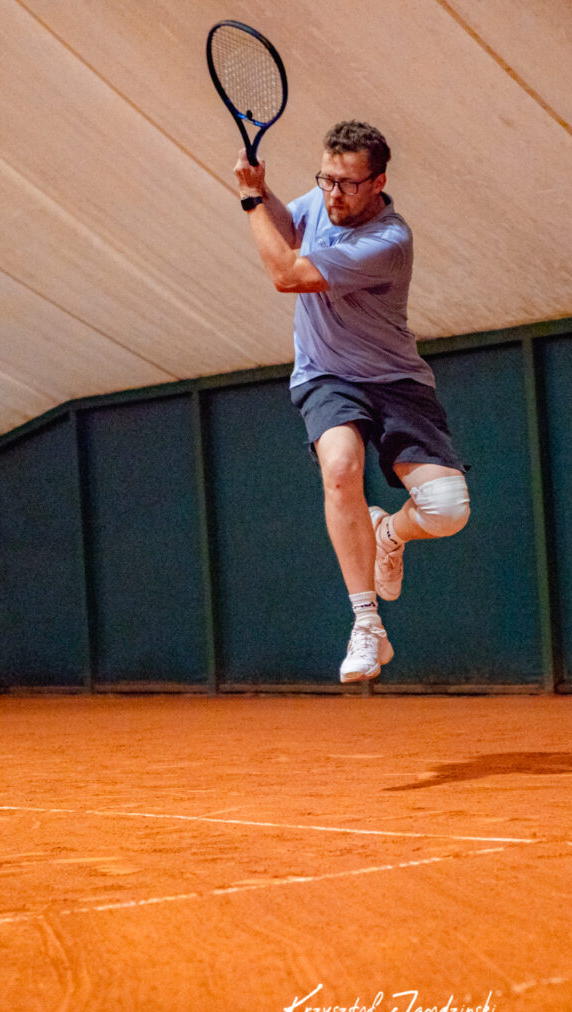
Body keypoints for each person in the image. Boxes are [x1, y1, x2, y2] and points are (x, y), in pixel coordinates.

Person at [233, 120, 470, 683]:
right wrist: (264, 192)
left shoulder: (389, 241)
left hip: (396, 380)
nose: (332, 194)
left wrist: (248, 200)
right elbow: (289, 227)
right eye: (325, 179)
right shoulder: (322, 201)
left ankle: (389, 533)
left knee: (447, 511)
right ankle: (366, 625)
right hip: (326, 375)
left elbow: (287, 274)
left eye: (346, 184)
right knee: (340, 468)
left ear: (378, 183)